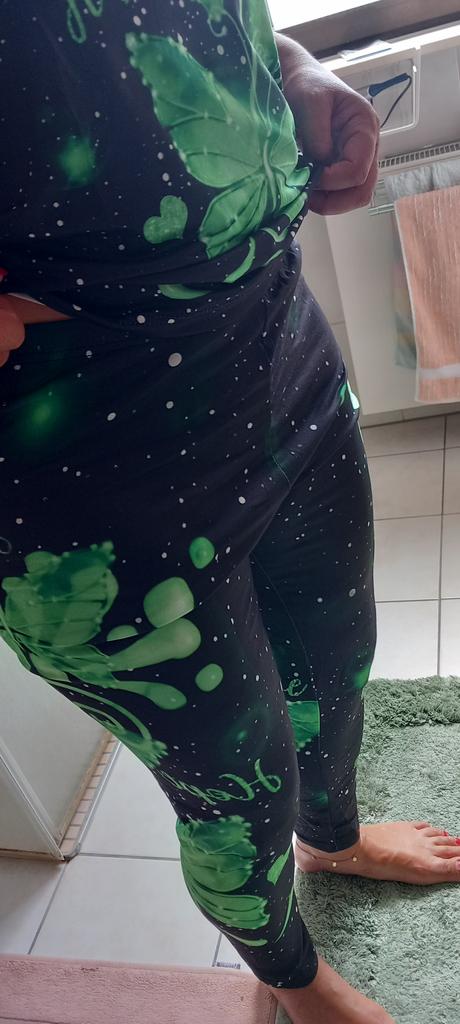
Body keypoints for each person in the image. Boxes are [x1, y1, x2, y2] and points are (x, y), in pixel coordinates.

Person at [1, 4, 459, 1022]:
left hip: (277, 341)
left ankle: (332, 839)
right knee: (235, 793)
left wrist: (280, 70)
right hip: (74, 470)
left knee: (336, 663)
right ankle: (289, 976)